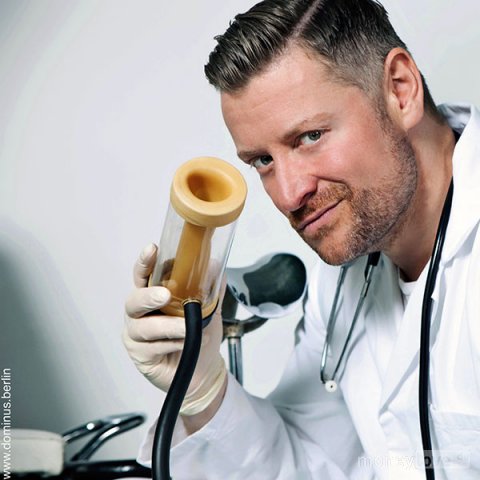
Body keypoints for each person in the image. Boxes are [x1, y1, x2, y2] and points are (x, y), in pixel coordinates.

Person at [122, 0, 480, 478]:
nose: (290, 195)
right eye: (263, 161)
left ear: (400, 90)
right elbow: (313, 464)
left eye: (310, 136)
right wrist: (202, 390)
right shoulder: (343, 280)